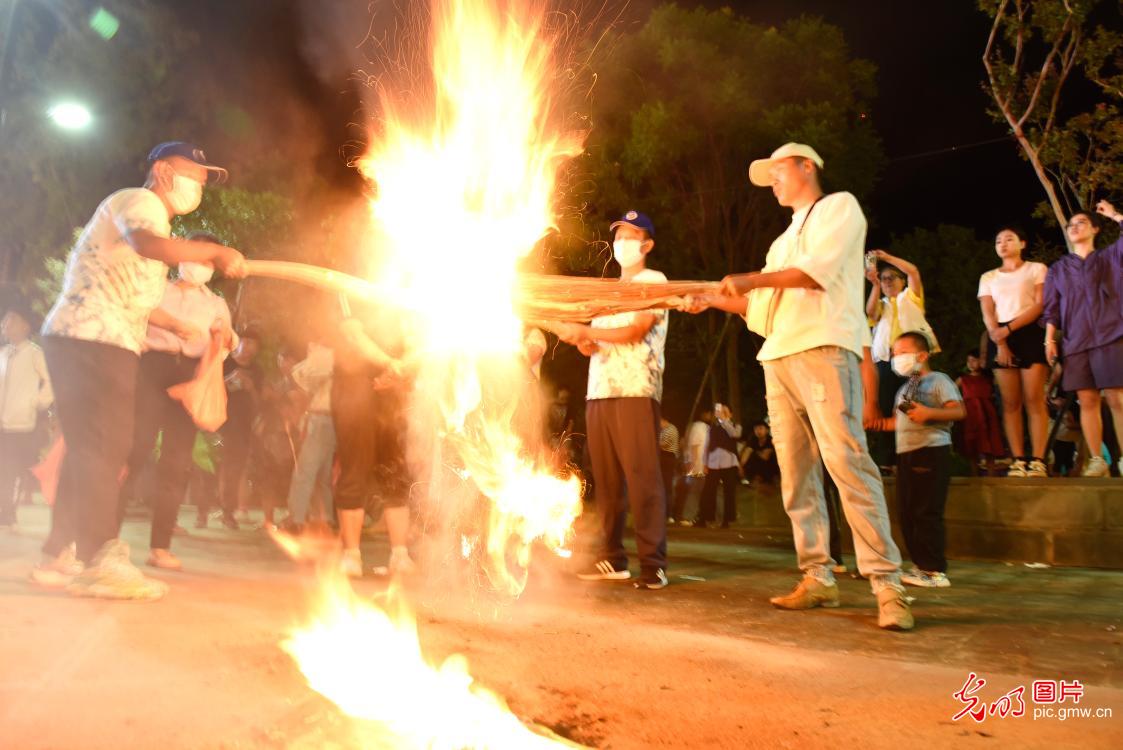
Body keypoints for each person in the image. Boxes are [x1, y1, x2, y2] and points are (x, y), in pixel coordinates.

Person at [686, 142, 912, 630]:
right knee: (796, 474)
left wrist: (748, 279)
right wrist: (705, 298)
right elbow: (760, 309)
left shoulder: (839, 208)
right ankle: (818, 576)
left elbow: (813, 276)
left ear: (806, 166)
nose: (773, 183)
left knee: (847, 460)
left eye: (778, 172)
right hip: (778, 356)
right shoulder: (779, 243)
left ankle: (887, 584)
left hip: (826, 348)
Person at [35, 141, 246, 599]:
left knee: (93, 447)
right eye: (195, 173)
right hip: (92, 336)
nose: (201, 185)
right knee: (105, 448)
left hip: (92, 337)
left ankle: (59, 554)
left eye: (206, 179)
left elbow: (142, 305)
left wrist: (180, 326)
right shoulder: (140, 202)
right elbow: (146, 243)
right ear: (163, 171)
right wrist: (213, 253)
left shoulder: (155, 225)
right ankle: (98, 560)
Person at [556, 210, 670, 590]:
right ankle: (612, 558)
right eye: (619, 235)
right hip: (599, 391)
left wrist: (587, 331)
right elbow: (595, 344)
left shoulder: (655, 282)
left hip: (636, 390)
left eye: (631, 235)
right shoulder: (606, 291)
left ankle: (653, 564)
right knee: (606, 482)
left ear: (647, 244)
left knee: (642, 477)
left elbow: (638, 330)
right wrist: (580, 337)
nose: (623, 242)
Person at [119, 232, 237, 570]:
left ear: (212, 267)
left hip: (189, 377)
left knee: (176, 461)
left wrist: (225, 336)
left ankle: (160, 547)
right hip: (152, 369)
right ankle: (104, 538)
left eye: (206, 261)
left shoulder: (215, 304)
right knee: (135, 450)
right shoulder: (158, 289)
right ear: (181, 256)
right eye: (194, 256)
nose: (198, 266)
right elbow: (133, 319)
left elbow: (230, 343)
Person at [870, 332, 965, 588]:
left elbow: (958, 410)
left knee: (926, 512)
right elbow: (897, 422)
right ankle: (921, 566)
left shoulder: (938, 380)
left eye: (901, 352)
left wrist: (929, 413)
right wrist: (874, 422)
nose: (895, 358)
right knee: (908, 512)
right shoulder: (905, 388)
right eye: (894, 353)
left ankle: (934, 571)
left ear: (921, 356)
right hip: (907, 454)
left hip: (931, 451)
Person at [333, 313, 417, 578]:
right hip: (355, 395)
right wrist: (388, 363)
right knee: (354, 471)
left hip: (391, 399)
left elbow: (416, 344)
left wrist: (400, 372)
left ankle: (400, 555)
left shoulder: (400, 301)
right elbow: (353, 334)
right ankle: (351, 556)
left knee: (396, 475)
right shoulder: (350, 292)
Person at [1044, 203, 1123, 477]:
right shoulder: (1059, 268)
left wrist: (1114, 216)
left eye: (1081, 223)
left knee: (1116, 398)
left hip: (1110, 335)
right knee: (1086, 401)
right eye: (1070, 225)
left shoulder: (1109, 257)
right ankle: (1097, 461)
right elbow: (1051, 307)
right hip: (1076, 341)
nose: (1074, 227)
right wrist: (1049, 340)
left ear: (1095, 229)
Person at [978, 226, 1050, 478]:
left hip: (1029, 332)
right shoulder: (988, 277)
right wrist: (1000, 340)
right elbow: (987, 311)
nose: (1003, 243)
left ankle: (1038, 460)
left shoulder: (1036, 268)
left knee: (1034, 399)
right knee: (1010, 403)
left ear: (1022, 243)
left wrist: (1008, 330)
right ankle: (1018, 459)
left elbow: (1040, 304)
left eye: (1009, 239)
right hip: (999, 336)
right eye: (998, 240)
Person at [865, 249, 939, 470]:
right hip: (886, 362)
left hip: (912, 362)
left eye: (891, 278)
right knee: (887, 407)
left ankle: (916, 456)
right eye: (883, 278)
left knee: (913, 405)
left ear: (901, 280)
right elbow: (870, 313)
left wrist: (886, 258)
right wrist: (875, 285)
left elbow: (913, 271)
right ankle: (888, 461)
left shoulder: (911, 297)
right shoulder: (882, 304)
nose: (887, 282)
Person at [198, 328, 262, 529]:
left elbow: (259, 402)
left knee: (234, 470)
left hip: (241, 429)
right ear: (237, 342)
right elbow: (208, 389)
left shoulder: (258, 371)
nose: (249, 348)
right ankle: (202, 513)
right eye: (245, 342)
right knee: (208, 468)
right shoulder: (224, 363)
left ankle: (229, 513)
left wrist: (250, 387)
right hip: (217, 425)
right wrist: (229, 380)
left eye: (254, 344)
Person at [0, 307, 53, 530]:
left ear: (25, 326)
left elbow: (51, 382)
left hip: (23, 423)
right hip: (3, 422)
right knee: (5, 470)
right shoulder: (3, 353)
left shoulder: (34, 353)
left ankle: (9, 515)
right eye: (4, 322)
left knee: (15, 469)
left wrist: (37, 403)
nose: (5, 325)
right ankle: (6, 515)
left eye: (10, 321)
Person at [283, 339, 336, 532]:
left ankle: (297, 519)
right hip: (333, 420)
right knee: (323, 474)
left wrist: (314, 352)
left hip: (321, 418)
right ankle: (324, 519)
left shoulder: (324, 353)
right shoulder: (338, 354)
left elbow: (304, 376)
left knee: (305, 471)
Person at [956, 349, 1005, 476]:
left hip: (987, 413)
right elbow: (952, 392)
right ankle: (974, 475)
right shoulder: (963, 379)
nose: (971, 363)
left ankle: (991, 474)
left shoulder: (989, 378)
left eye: (974, 360)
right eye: (968, 361)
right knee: (972, 445)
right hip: (970, 414)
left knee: (989, 442)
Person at [697, 403, 742, 528]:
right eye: (720, 411)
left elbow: (734, 434)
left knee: (729, 492)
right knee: (708, 491)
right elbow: (706, 446)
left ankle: (727, 520)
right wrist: (704, 463)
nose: (722, 412)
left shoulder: (735, 426)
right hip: (713, 462)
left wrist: (724, 420)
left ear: (731, 414)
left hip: (729, 463)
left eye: (725, 411)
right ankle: (705, 518)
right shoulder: (712, 428)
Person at [671, 407, 710, 525]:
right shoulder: (700, 427)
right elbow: (694, 446)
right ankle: (687, 516)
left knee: (694, 491)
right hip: (697, 465)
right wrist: (694, 464)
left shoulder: (694, 426)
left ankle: (687, 516)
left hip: (696, 464)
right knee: (694, 492)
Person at [657, 416, 679, 515]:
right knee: (663, 486)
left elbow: (663, 444)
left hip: (668, 458)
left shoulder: (671, 429)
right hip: (665, 458)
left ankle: (667, 512)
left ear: (663, 419)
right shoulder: (665, 430)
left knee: (667, 486)